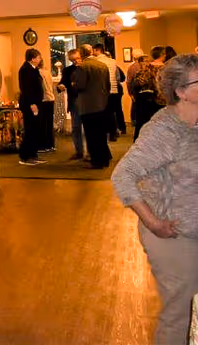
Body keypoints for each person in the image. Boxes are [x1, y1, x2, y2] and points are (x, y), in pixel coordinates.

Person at [110, 54, 198, 345]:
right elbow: (123, 175)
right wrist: (153, 223)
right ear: (181, 91)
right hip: (174, 236)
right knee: (180, 315)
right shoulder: (164, 129)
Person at [73, 44, 112, 169]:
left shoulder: (83, 67)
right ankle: (104, 158)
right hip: (102, 103)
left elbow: (80, 85)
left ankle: (97, 161)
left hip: (88, 105)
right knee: (101, 134)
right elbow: (108, 85)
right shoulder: (102, 65)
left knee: (91, 135)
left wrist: (73, 84)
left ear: (81, 54)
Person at [131, 46, 167, 141]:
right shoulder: (166, 69)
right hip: (161, 100)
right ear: (162, 55)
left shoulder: (146, 68)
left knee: (142, 123)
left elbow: (138, 82)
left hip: (145, 99)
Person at [16, 49, 46, 166]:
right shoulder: (25, 70)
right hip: (30, 104)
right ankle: (25, 156)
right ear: (32, 58)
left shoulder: (33, 69)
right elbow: (26, 89)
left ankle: (33, 154)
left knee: (35, 129)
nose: (40, 59)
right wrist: (32, 103)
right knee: (30, 129)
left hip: (36, 103)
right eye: (38, 57)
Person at [58, 49, 84, 160]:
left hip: (86, 101)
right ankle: (79, 151)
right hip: (74, 101)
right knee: (76, 127)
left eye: (77, 58)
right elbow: (63, 82)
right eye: (73, 60)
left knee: (89, 128)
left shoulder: (87, 68)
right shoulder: (67, 70)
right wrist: (61, 86)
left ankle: (91, 152)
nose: (75, 61)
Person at [93, 44, 123, 139]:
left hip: (102, 90)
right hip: (113, 89)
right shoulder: (113, 61)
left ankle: (104, 132)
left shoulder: (96, 61)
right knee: (111, 112)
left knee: (102, 113)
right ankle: (113, 133)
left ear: (97, 50)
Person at [38, 60, 57, 152]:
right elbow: (51, 86)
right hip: (51, 98)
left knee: (42, 124)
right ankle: (50, 145)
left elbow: (41, 87)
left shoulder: (38, 73)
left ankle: (43, 145)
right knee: (49, 123)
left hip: (43, 99)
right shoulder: (47, 72)